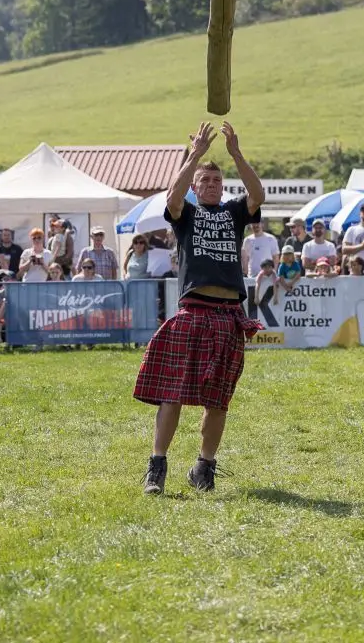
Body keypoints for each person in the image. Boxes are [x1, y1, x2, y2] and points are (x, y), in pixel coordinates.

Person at [135, 121, 264, 495]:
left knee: (218, 398)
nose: (211, 186)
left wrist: (236, 153)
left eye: (216, 182)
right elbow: (172, 200)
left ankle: (204, 467)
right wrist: (194, 156)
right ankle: (157, 466)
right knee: (173, 392)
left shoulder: (235, 212)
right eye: (205, 182)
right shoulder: (187, 215)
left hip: (227, 317)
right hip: (193, 312)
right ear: (196, 187)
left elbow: (258, 195)